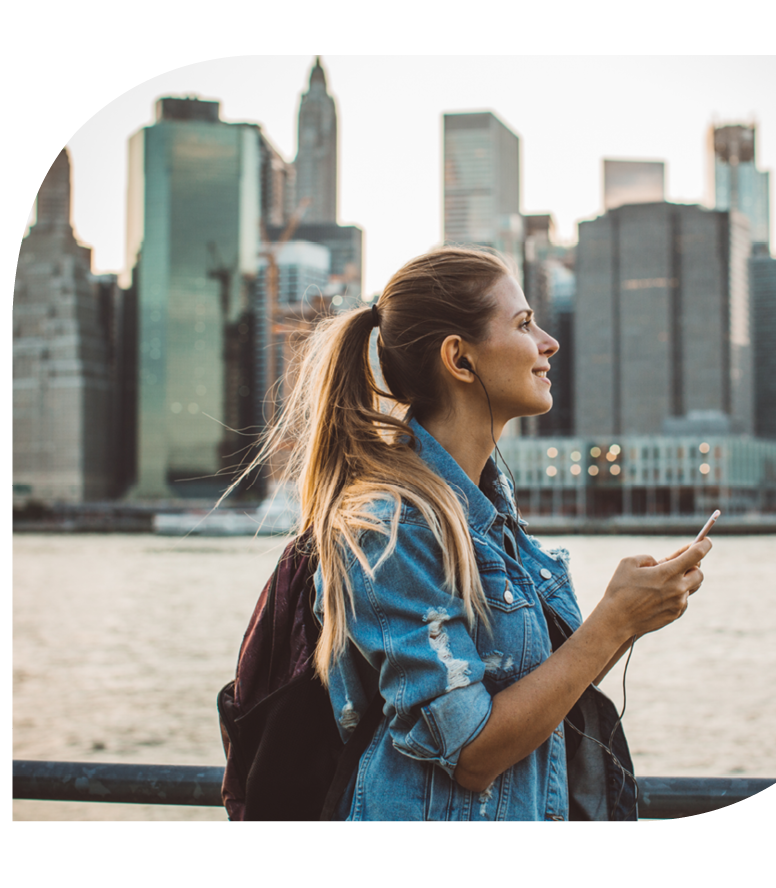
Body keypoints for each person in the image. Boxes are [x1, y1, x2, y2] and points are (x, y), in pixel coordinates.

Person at [260, 246, 710, 822]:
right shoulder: (391, 526)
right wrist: (613, 623)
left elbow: (532, 683)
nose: (548, 343)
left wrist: (631, 614)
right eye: (524, 324)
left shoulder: (489, 514)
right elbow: (470, 751)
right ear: (460, 359)